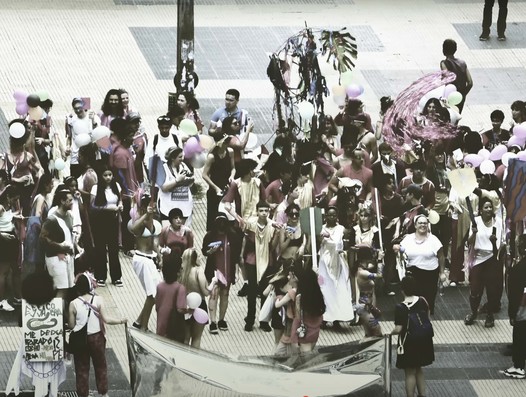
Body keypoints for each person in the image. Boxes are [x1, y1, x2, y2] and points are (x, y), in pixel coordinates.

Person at [68, 272, 127, 397]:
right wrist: (121, 320)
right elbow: (106, 319)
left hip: (80, 340)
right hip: (97, 338)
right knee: (100, 366)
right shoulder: (98, 300)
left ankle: (83, 394)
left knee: (82, 369)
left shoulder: (73, 304)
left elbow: (72, 326)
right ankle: (103, 393)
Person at [391, 276, 434, 397]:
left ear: (402, 290)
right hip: (424, 340)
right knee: (419, 369)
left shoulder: (400, 307)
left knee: (410, 372)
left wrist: (389, 334)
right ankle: (422, 395)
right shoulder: (423, 300)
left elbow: (399, 329)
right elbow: (428, 318)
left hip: (409, 342)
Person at [464, 197, 503, 328]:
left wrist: (493, 242)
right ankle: (473, 312)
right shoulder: (475, 221)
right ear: (480, 210)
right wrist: (474, 233)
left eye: (490, 207)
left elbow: (500, 245)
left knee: (492, 290)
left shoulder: (498, 222)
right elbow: (469, 243)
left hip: (492, 259)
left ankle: (490, 315)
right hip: (477, 259)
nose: (488, 209)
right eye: (485, 207)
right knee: (475, 289)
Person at [395, 214, 446, 315]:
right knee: (413, 301)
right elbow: (401, 253)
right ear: (415, 225)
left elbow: (441, 257)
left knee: (428, 301)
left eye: (425, 223)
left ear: (428, 225)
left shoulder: (434, 239)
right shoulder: (408, 239)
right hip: (412, 273)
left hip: (430, 274)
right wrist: (396, 249)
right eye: (420, 223)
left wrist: (442, 273)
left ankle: (426, 321)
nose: (422, 225)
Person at [203, 213, 242, 334]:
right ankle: (212, 321)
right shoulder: (209, 236)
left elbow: (236, 256)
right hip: (214, 270)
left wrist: (236, 272)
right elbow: (205, 252)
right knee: (214, 294)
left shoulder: (232, 236)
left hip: (227, 270)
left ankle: (221, 320)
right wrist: (211, 251)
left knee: (225, 294)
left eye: (224, 221)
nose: (221, 224)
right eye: (219, 222)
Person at [129, 195, 162, 331]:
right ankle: (144, 326)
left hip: (151, 258)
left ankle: (138, 321)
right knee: (152, 295)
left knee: (157, 293)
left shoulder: (155, 220)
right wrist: (146, 215)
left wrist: (160, 257)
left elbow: (154, 242)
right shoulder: (138, 219)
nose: (153, 208)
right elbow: (133, 229)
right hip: (142, 259)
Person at [317, 206, 354, 328]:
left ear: (336, 216)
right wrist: (321, 238)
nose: (331, 217)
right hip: (324, 262)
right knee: (325, 289)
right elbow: (317, 245)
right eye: (329, 215)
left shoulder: (341, 229)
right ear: (325, 216)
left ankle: (337, 319)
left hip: (338, 262)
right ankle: (325, 317)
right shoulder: (321, 228)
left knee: (338, 290)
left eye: (333, 215)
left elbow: (346, 244)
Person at [40, 189, 77, 301]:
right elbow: (42, 238)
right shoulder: (51, 219)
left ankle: (61, 316)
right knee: (61, 290)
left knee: (66, 289)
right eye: (70, 200)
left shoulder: (70, 216)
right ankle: (56, 316)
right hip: (56, 259)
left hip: (68, 258)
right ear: (62, 201)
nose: (72, 202)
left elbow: (70, 236)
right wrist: (60, 247)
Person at [90, 166, 123, 287]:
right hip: (99, 221)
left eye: (110, 175)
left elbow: (119, 199)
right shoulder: (95, 188)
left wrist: (120, 205)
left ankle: (116, 277)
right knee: (100, 249)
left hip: (113, 220)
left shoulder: (116, 186)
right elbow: (92, 206)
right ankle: (101, 276)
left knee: (114, 249)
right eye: (105, 175)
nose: (108, 177)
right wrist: (107, 208)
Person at [179, 248, 213, 348]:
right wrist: (214, 282)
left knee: (185, 338)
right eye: (198, 256)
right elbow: (206, 292)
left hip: (185, 305)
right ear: (194, 259)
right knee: (196, 338)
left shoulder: (182, 272)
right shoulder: (199, 271)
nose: (200, 257)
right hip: (200, 306)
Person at [503, 234, 526, 379]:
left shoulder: (519, 268)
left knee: (519, 335)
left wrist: (512, 313)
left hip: (522, 307)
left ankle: (518, 366)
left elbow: (514, 293)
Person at [289, 265, 325, 353]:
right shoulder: (318, 297)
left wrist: (293, 338)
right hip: (315, 332)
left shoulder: (300, 298)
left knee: (305, 359)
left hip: (304, 333)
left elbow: (298, 319)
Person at [202, 133, 234, 230]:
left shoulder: (230, 152)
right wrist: (215, 188)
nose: (227, 144)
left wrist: (232, 176)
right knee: (213, 217)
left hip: (227, 188)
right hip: (215, 189)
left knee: (228, 215)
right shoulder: (212, 157)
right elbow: (204, 175)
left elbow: (233, 168)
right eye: (225, 142)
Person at [24, 173, 53, 275]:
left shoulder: (43, 197)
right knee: (37, 262)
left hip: (37, 232)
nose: (52, 186)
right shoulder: (40, 198)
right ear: (45, 185)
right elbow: (37, 215)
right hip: (36, 233)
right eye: (51, 184)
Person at [0, 185, 22, 311]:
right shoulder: (0, 207)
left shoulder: (9, 208)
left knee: (16, 269)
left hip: (12, 240)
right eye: (14, 199)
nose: (16, 202)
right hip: (4, 241)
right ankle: (1, 301)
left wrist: (16, 216)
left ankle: (18, 298)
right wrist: (2, 236)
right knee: (3, 272)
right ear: (8, 197)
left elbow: (9, 217)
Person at [158, 147, 194, 226]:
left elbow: (191, 182)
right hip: (168, 207)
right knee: (168, 232)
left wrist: (189, 180)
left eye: (182, 156)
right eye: (180, 157)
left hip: (183, 205)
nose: (182, 159)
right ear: (172, 158)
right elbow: (164, 187)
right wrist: (177, 181)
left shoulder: (183, 166)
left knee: (182, 233)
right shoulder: (163, 168)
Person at [66, 98, 101, 179]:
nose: (78, 110)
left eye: (80, 108)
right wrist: (68, 146)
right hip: (76, 156)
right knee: (75, 179)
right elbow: (69, 137)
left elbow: (97, 134)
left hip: (91, 155)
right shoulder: (71, 119)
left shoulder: (93, 118)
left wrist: (93, 121)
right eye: (75, 108)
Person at [155, 257, 188, 341]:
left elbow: (157, 306)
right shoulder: (180, 288)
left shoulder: (160, 286)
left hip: (161, 323)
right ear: (178, 272)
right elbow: (180, 309)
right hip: (173, 327)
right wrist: (191, 310)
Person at [440, 39, 473, 113]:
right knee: (457, 115)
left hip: (449, 96)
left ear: (444, 49)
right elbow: (470, 83)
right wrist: (463, 94)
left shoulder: (444, 63)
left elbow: (446, 80)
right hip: (460, 96)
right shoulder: (462, 63)